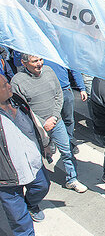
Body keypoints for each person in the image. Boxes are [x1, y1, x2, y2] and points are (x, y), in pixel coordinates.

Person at [11, 54, 88, 193]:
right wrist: (42, 123)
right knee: (35, 155)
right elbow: (21, 108)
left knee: (67, 150)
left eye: (40, 59)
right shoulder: (17, 82)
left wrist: (54, 116)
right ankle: (37, 183)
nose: (39, 63)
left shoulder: (49, 71)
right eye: (35, 61)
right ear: (24, 63)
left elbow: (59, 94)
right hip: (35, 127)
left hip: (55, 121)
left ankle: (72, 179)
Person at [0, 74, 51, 235]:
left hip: (33, 164)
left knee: (42, 186)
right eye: (4, 85)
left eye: (7, 83)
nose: (9, 86)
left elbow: (33, 123)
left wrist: (46, 144)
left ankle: (30, 204)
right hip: (7, 178)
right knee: (20, 222)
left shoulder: (17, 100)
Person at [43, 60, 88, 155]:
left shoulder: (62, 52)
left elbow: (74, 69)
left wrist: (82, 88)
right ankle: (52, 140)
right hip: (49, 91)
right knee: (52, 119)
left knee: (69, 119)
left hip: (65, 90)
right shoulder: (42, 52)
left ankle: (69, 141)